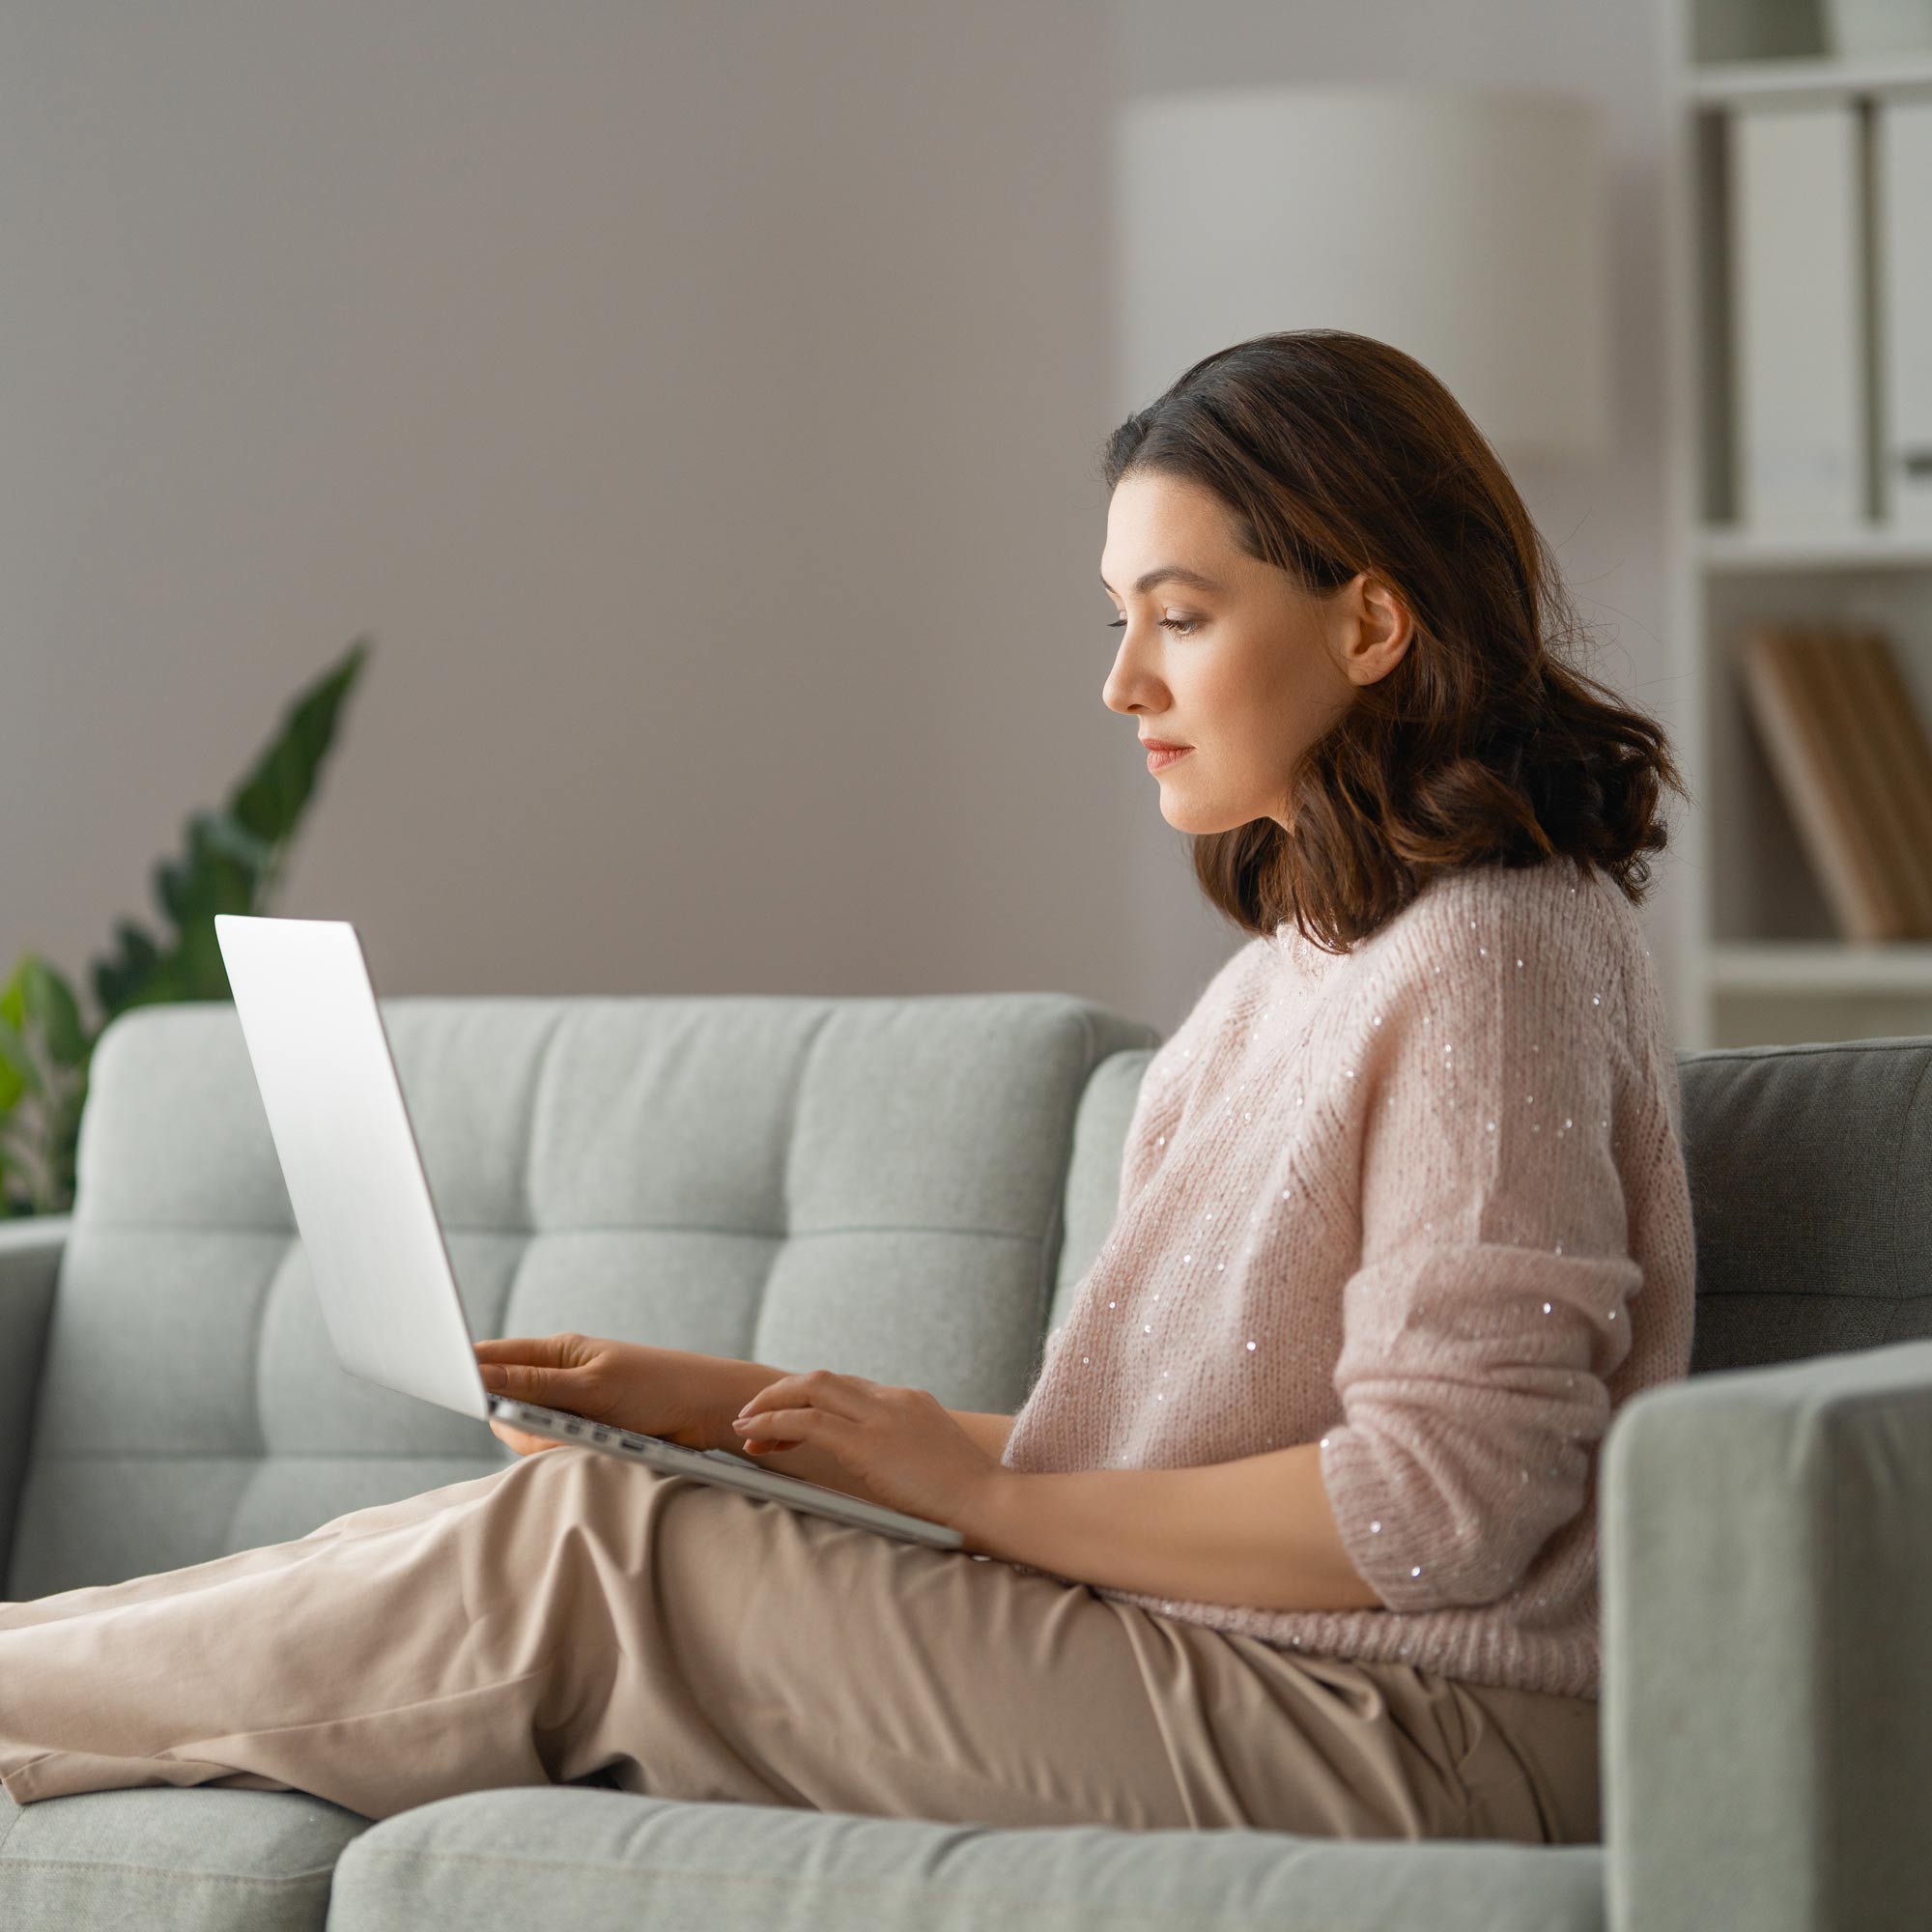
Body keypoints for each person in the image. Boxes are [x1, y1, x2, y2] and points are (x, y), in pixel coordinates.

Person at [0, 328, 1695, 1845]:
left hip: (1421, 1732)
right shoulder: (1296, 973)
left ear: (1374, 620)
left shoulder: (1495, 955)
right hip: (1248, 1660)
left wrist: (989, 1499)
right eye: (1119, 622)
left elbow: (1443, 1512)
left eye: (1179, 619)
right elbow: (1146, 1466)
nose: (1123, 684)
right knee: (590, 1499)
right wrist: (719, 1402)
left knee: (590, 1562)